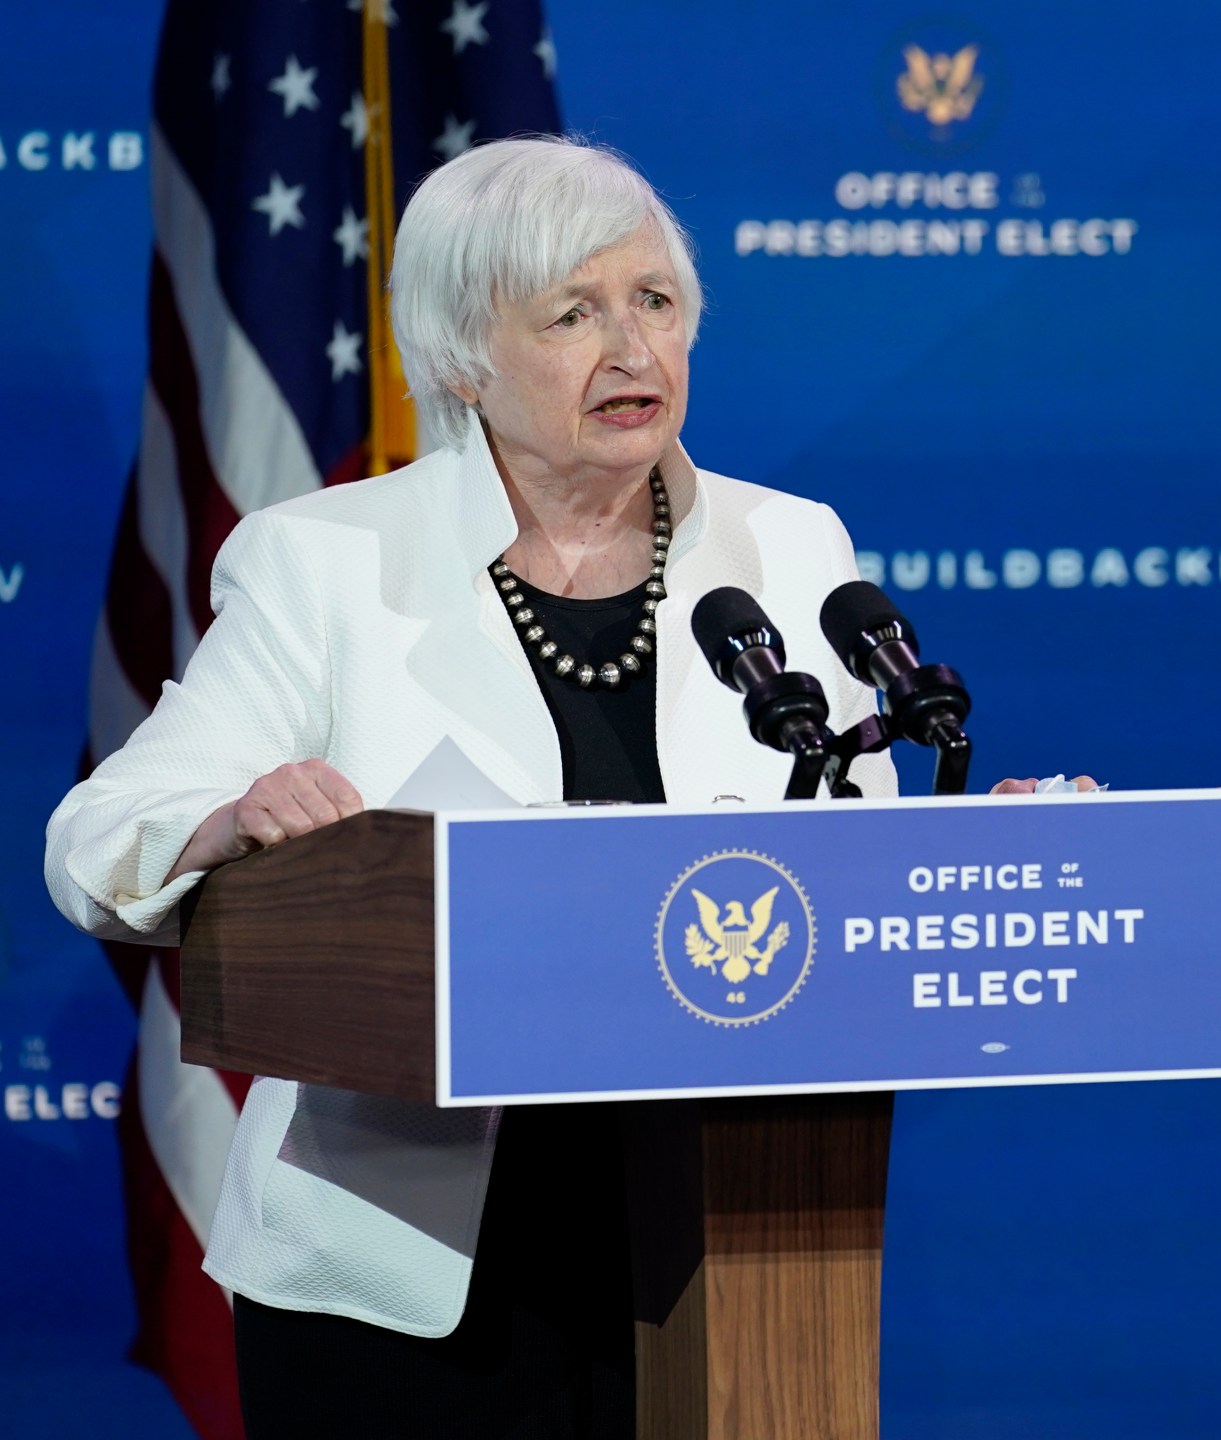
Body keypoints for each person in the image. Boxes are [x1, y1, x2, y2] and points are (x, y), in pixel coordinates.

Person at [44, 138, 914, 1436]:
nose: (633, 351)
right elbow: (98, 836)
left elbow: (853, 859)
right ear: (460, 359)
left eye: (656, 305)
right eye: (573, 314)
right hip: (409, 1280)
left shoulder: (788, 546)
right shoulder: (327, 564)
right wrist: (229, 824)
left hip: (737, 1243)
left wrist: (965, 857)